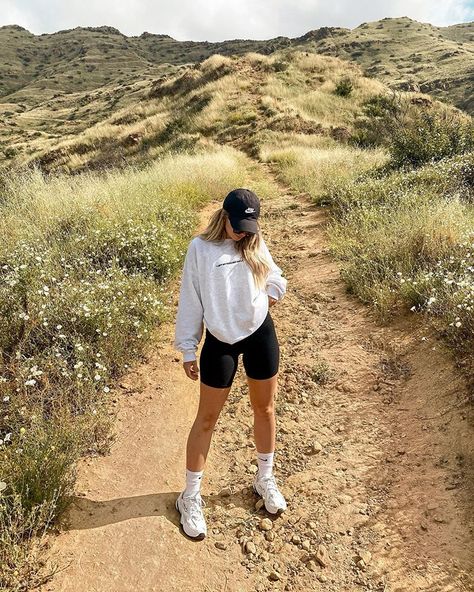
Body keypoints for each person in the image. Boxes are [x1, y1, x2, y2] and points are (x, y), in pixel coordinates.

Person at [173, 188, 288, 540]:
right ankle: (189, 496)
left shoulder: (253, 239)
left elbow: (275, 275)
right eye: (238, 226)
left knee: (265, 409)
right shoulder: (200, 249)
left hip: (259, 334)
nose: (243, 233)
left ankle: (264, 478)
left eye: (249, 227)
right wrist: (188, 348)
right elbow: (190, 299)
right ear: (224, 217)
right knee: (206, 419)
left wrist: (270, 294)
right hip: (220, 341)